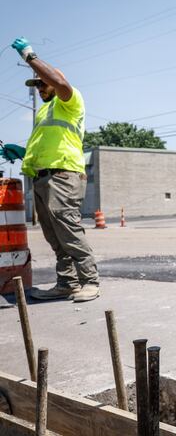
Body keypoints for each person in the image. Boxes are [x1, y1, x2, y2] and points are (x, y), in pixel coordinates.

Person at [4, 37, 100, 303]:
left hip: (63, 176)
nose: (39, 88)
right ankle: (67, 283)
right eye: (37, 85)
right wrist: (22, 153)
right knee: (54, 235)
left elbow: (60, 84)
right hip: (43, 177)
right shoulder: (44, 113)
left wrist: (29, 56)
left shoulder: (70, 101)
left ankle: (90, 281)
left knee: (68, 229)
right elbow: (47, 146)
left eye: (42, 82)